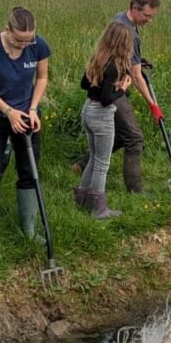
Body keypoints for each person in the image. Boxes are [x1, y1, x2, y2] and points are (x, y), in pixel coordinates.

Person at [0, 6, 51, 245]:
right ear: (7, 30)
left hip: (27, 116)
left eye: (29, 40)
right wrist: (8, 111)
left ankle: (29, 228)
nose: (25, 44)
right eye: (19, 40)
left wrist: (32, 109)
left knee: (29, 169)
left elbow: (42, 78)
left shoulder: (39, 45)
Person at [74, 22, 134, 220]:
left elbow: (84, 84)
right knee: (102, 163)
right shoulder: (115, 67)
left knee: (93, 157)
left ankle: (82, 198)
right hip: (101, 114)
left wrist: (99, 84)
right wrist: (122, 88)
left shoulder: (98, 58)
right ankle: (99, 209)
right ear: (124, 44)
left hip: (88, 111)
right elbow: (108, 99)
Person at [109, 0, 162, 194]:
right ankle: (136, 191)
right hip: (114, 88)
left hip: (110, 84)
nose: (149, 20)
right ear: (134, 8)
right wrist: (153, 105)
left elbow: (128, 58)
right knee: (134, 137)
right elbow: (137, 77)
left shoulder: (120, 19)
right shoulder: (129, 32)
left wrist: (139, 59)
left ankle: (81, 165)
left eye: (152, 17)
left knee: (121, 135)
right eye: (146, 16)